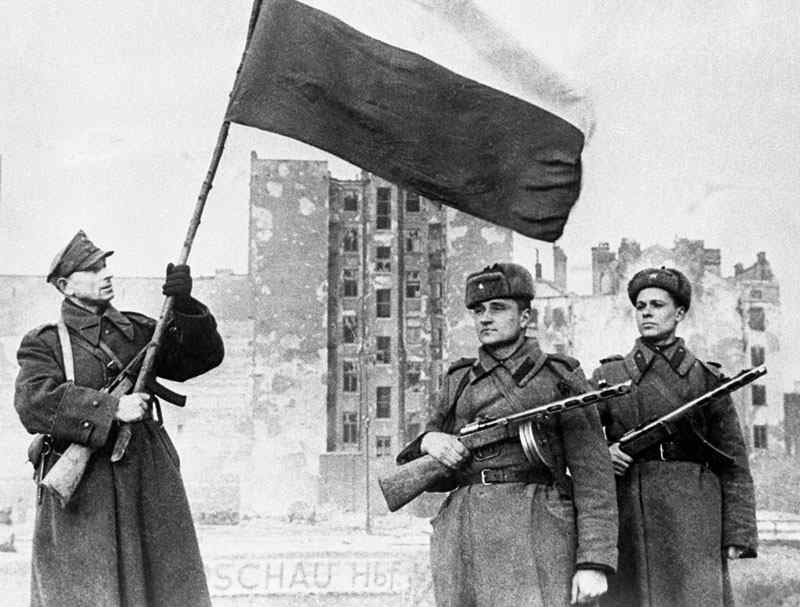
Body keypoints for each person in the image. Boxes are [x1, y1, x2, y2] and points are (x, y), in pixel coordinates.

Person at [15, 230, 225, 607]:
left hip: (147, 481)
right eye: (92, 269)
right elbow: (32, 402)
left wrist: (186, 305)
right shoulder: (45, 342)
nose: (105, 274)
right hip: (85, 493)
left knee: (164, 587)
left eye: (104, 265)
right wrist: (112, 409)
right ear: (65, 285)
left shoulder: (138, 330)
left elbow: (200, 358)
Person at [396, 262, 618, 607]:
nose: (485, 318)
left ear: (526, 317)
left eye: (498, 308)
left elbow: (594, 477)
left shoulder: (560, 377)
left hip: (539, 527)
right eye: (478, 310)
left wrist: (594, 561)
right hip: (465, 532)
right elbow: (424, 471)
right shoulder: (458, 380)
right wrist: (429, 441)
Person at [593, 267, 757, 607]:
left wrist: (737, 532)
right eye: (640, 306)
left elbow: (734, 462)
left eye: (657, 305)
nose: (647, 312)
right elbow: (581, 446)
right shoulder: (610, 376)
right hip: (630, 511)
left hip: (694, 515)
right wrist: (603, 454)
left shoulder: (708, 380)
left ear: (679, 313)